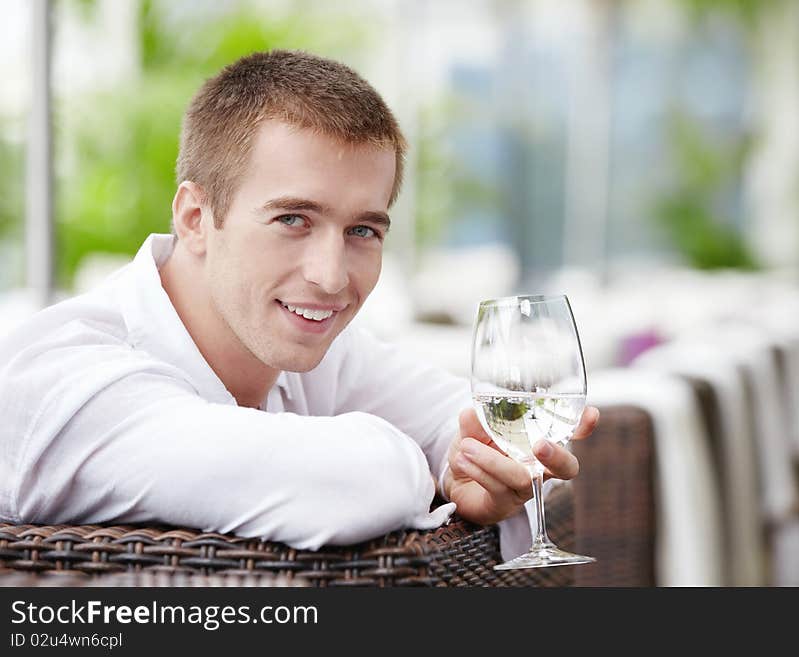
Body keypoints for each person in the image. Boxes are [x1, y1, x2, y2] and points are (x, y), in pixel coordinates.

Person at [0, 50, 598, 559]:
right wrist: (427, 467)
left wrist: (469, 463)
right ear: (195, 219)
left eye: (363, 230)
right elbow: (363, 481)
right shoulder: (67, 383)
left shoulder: (297, 340)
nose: (331, 276)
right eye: (293, 219)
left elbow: (453, 416)